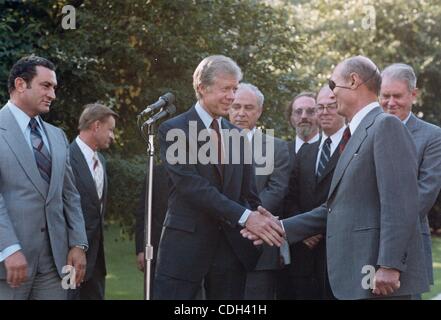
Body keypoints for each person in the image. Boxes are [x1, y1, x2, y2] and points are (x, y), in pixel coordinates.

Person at [245, 56, 429, 299]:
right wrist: (279, 227)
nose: (331, 96)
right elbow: (334, 208)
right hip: (355, 277)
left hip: (377, 278)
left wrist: (390, 265)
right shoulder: (356, 134)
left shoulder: (385, 126)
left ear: (353, 82)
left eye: (333, 86)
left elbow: (401, 204)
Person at [153, 55, 284, 300]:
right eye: (226, 89)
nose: (232, 97)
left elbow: (249, 194)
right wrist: (246, 217)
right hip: (185, 250)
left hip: (231, 252)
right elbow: (192, 186)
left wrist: (261, 217)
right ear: (202, 88)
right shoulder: (173, 129)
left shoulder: (237, 135)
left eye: (234, 89)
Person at [0, 55, 87, 299]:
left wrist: (78, 244)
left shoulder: (57, 136)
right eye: (46, 86)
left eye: (54, 88)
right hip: (8, 265)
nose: (53, 95)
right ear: (20, 84)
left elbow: (70, 195)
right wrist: (8, 248)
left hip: (54, 267)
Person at [380, 63, 441, 295]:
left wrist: (387, 232)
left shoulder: (432, 136)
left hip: (409, 244)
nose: (390, 102)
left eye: (397, 96)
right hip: (365, 242)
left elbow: (423, 196)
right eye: (385, 96)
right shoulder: (366, 131)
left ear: (413, 94)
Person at [282, 85, 346, 299]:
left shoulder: (353, 147)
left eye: (331, 107)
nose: (324, 112)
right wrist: (304, 230)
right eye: (321, 107)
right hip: (302, 255)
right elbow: (290, 196)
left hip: (338, 251)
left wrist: (315, 228)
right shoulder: (305, 152)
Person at [228, 83, 291, 299]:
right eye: (236, 106)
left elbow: (276, 190)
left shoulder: (277, 147)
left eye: (248, 107)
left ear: (259, 111)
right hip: (219, 246)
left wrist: (247, 218)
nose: (241, 113)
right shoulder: (210, 145)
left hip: (258, 245)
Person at [68, 103, 117, 299]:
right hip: (70, 258)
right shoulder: (66, 157)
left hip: (96, 261)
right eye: (110, 130)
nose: (113, 136)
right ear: (96, 126)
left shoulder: (102, 161)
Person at [286, 92, 320, 157]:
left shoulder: (328, 150)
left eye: (310, 112)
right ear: (291, 118)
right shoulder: (281, 152)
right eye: (298, 112)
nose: (303, 116)